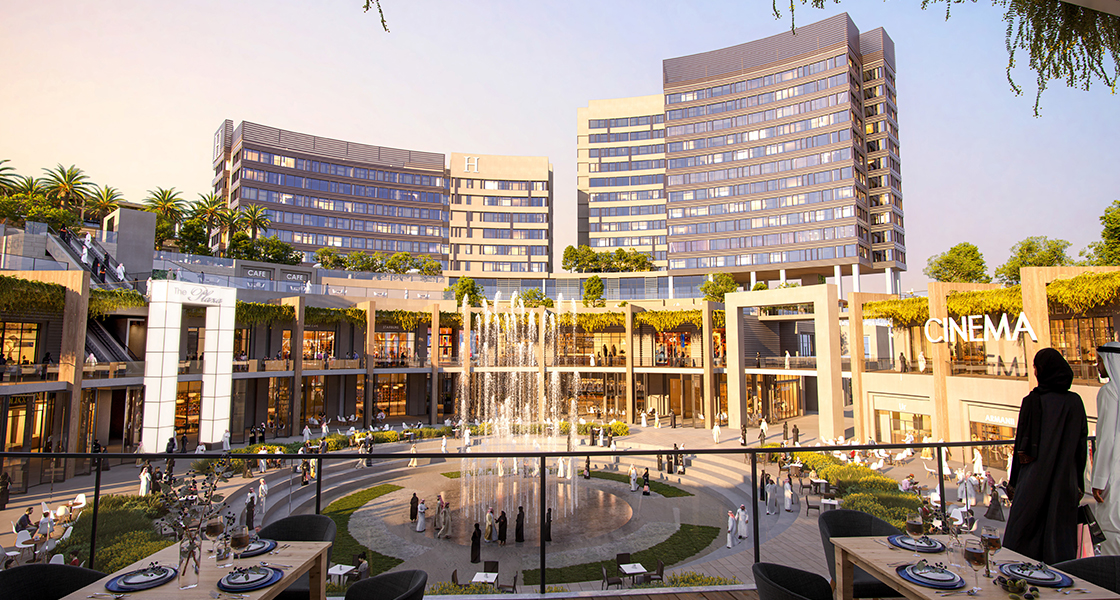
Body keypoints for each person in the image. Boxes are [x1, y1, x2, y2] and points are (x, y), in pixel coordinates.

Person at [1003, 348, 1088, 564]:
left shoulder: (1032, 401)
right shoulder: (1075, 402)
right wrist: (1078, 483)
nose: (1034, 372)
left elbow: (1021, 445)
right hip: (1064, 480)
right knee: (1059, 537)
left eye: (1036, 367)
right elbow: (1080, 447)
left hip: (1034, 478)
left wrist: (1014, 484)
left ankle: (1021, 576)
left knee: (1023, 535)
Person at [1093, 342, 1120, 554]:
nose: (1098, 366)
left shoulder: (1109, 392)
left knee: (1111, 528)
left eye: (1100, 361)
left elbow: (1105, 439)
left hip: (1114, 473)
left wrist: (1099, 481)